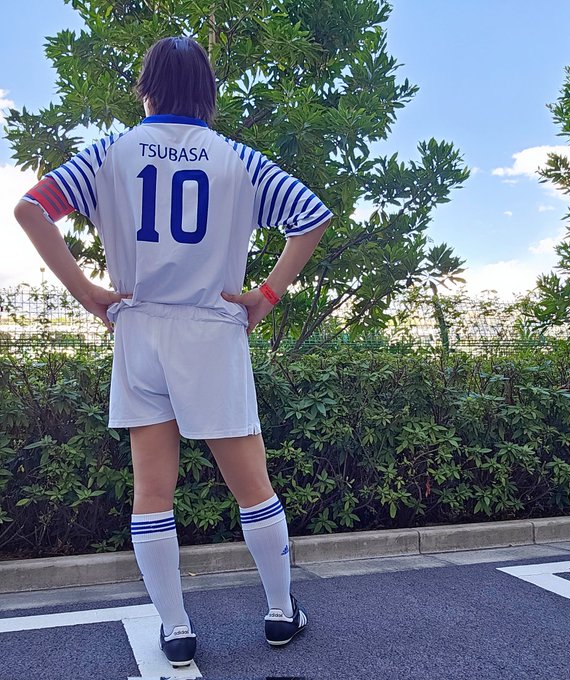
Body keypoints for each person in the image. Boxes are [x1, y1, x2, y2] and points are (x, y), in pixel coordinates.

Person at [14, 35, 332, 668]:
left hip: (140, 328)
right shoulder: (238, 159)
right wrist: (266, 294)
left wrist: (89, 293)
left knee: (152, 490)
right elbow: (311, 217)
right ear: (208, 95)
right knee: (253, 488)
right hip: (213, 329)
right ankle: (279, 613)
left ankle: (177, 627)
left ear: (147, 90)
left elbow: (32, 210)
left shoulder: (109, 152)